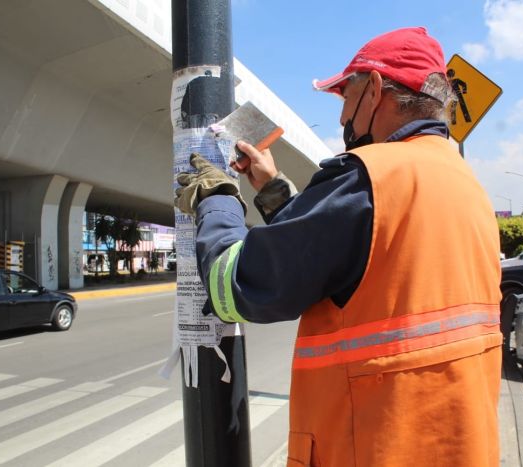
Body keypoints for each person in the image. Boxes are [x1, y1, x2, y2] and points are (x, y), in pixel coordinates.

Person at [175, 27, 502, 467]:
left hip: (371, 449)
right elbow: (353, 257)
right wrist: (273, 192)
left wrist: (217, 199)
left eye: (346, 97)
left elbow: (234, 286)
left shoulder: (369, 176)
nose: (341, 116)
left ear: (377, 89)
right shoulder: (466, 184)